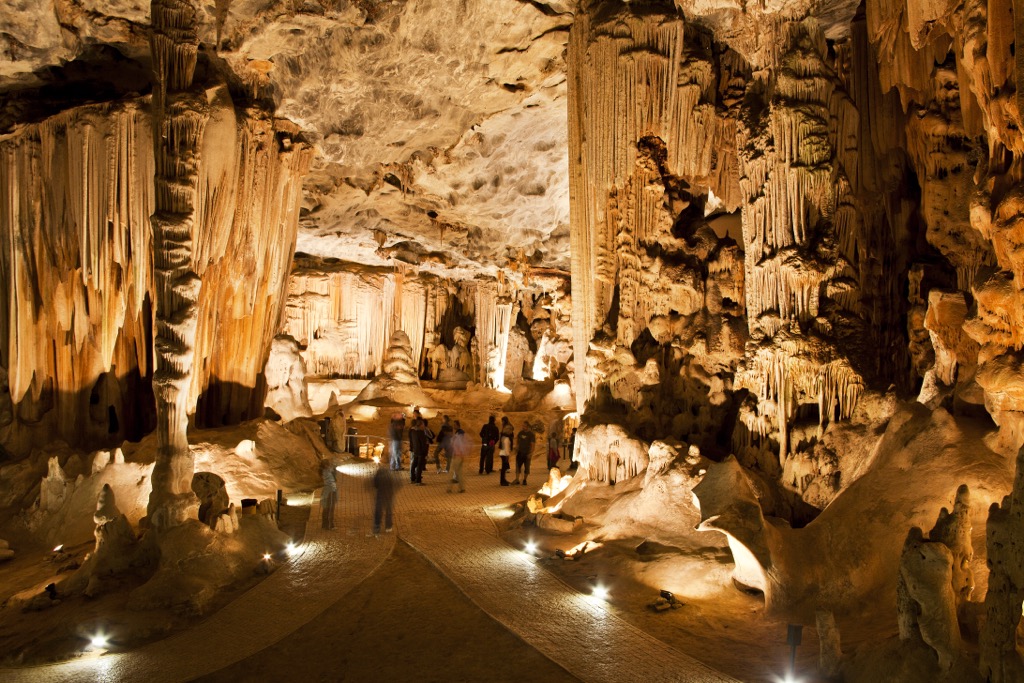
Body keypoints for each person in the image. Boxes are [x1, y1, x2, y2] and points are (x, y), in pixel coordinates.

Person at [371, 462, 397, 535]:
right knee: (388, 510)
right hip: (389, 494)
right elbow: (393, 484)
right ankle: (388, 526)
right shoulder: (390, 474)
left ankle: (377, 526)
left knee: (378, 510)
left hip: (381, 494)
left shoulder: (378, 473)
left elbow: (375, 484)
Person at [447, 420, 469, 493]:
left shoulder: (459, 435)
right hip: (459, 455)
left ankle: (449, 488)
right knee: (459, 472)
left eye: (455, 424)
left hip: (457, 456)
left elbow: (460, 445)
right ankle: (462, 488)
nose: (454, 426)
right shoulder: (458, 434)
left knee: (451, 471)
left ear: (458, 425)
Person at [408, 410, 428, 485]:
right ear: (420, 425)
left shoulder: (413, 432)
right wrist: (425, 453)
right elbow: (423, 443)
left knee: (414, 464)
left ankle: (413, 478)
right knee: (419, 465)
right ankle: (418, 480)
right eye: (423, 425)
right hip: (421, 452)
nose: (424, 426)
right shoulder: (421, 433)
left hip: (415, 450)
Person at [320, 458, 337, 530]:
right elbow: (335, 479)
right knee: (330, 508)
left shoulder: (323, 471)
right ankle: (330, 525)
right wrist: (334, 470)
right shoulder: (328, 472)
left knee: (326, 508)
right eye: (329, 464)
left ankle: (324, 524)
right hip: (330, 491)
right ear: (327, 465)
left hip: (325, 491)